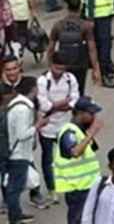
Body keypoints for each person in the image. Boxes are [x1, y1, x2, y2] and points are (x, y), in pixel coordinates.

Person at [37, 53, 79, 208]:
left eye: (62, 68)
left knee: (69, 156)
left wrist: (57, 104)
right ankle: (51, 188)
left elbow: (75, 100)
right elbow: (44, 105)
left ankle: (69, 184)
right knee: (48, 159)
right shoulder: (43, 81)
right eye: (56, 68)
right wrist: (64, 103)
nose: (59, 71)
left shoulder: (70, 79)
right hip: (47, 126)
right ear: (51, 65)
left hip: (65, 125)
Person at [54, 97, 104, 224]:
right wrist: (91, 133)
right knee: (78, 220)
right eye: (91, 114)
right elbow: (75, 152)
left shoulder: (80, 131)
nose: (94, 117)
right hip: (77, 189)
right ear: (80, 113)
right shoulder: (68, 131)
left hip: (86, 186)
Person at [47, 0, 101, 92]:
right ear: (80, 8)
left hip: (63, 62)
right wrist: (96, 69)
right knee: (79, 91)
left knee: (64, 91)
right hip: (80, 64)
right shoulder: (86, 25)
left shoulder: (58, 25)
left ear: (67, 8)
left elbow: (50, 48)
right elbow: (91, 49)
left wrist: (51, 65)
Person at [6, 76, 39, 224]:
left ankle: (16, 214)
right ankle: (15, 217)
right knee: (15, 188)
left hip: (17, 151)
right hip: (18, 154)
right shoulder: (23, 109)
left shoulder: (17, 104)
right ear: (32, 89)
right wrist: (37, 127)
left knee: (15, 186)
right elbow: (22, 134)